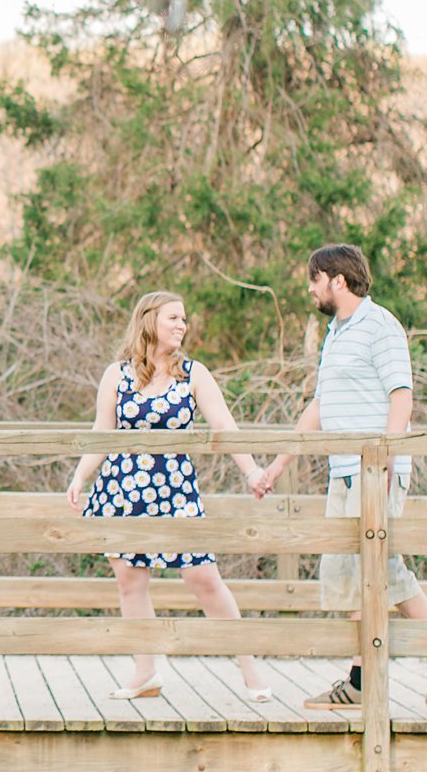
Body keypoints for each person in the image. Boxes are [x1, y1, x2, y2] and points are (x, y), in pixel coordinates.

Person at [251, 244, 427, 708]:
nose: (310, 289)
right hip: (344, 470)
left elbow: (402, 397)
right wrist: (276, 465)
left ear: (338, 280)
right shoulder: (334, 333)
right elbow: (319, 406)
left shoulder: (381, 326)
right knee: (352, 573)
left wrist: (389, 456)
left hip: (377, 470)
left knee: (377, 565)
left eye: (315, 279)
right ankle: (360, 679)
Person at [66, 291, 274, 702]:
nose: (182, 325)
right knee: (130, 581)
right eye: (173, 318)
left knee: (204, 579)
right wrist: (79, 476)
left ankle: (249, 669)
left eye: (184, 319)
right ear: (149, 321)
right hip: (121, 490)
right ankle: (145, 671)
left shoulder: (194, 374)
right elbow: (102, 433)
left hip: (174, 490)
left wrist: (251, 470)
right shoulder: (117, 374)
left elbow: (224, 427)